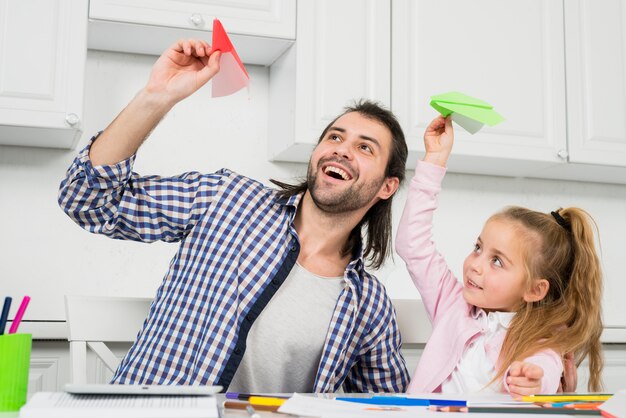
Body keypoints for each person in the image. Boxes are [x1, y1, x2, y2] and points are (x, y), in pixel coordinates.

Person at [58, 39, 410, 392]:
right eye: (335, 136)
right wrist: (156, 96)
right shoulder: (227, 199)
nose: (342, 150)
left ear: (387, 187)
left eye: (365, 147)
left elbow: (388, 407)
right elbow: (86, 200)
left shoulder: (369, 304)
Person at [395, 116, 603, 396]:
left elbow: (545, 367)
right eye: (478, 248)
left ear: (534, 289)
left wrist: (535, 380)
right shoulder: (452, 305)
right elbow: (413, 245)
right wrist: (435, 159)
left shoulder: (541, 338)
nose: (475, 266)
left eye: (497, 261)